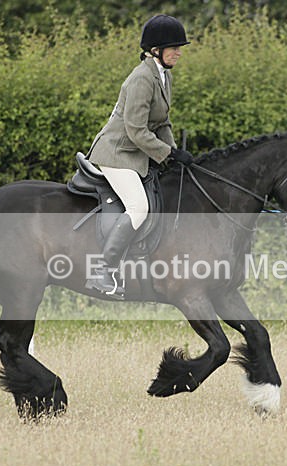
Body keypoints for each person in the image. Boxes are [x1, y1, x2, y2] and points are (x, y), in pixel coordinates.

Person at [85, 14, 194, 298]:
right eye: (174, 47)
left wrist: (174, 155)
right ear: (155, 50)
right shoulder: (141, 78)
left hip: (138, 154)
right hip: (117, 154)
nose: (179, 52)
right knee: (138, 207)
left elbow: (162, 123)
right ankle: (103, 271)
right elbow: (135, 130)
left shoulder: (163, 75)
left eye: (179, 47)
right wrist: (166, 153)